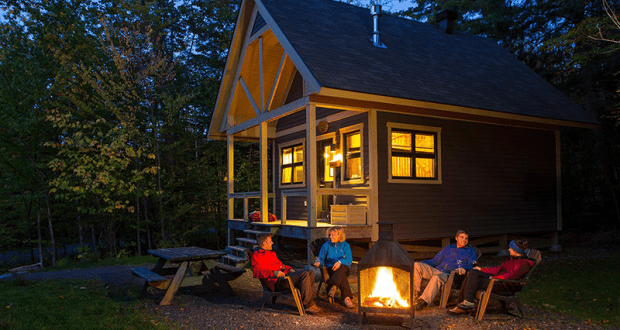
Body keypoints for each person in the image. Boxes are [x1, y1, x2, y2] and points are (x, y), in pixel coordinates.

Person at [447, 239, 535, 315]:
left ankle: (464, 305)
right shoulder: (512, 259)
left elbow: (511, 276)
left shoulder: (523, 263)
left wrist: (493, 278)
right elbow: (498, 269)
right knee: (474, 272)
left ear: (516, 251)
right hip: (498, 280)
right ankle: (467, 302)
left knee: (472, 281)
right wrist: (481, 269)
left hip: (505, 285)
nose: (508, 249)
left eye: (511, 248)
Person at [251, 233, 322, 314]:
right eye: (270, 241)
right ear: (264, 244)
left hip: (283, 277)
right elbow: (257, 271)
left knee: (310, 272)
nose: (272, 243)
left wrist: (289, 269)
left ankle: (310, 302)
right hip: (276, 282)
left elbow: (281, 266)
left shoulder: (271, 253)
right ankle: (307, 305)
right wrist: (273, 273)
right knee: (304, 274)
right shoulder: (257, 256)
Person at [414, 229, 478, 311]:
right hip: (437, 270)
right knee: (416, 265)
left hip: (450, 275)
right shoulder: (448, 248)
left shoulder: (470, 251)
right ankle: (415, 294)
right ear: (456, 238)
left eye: (466, 238)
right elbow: (434, 261)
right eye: (462, 237)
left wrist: (464, 268)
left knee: (436, 277)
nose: (464, 240)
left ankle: (423, 301)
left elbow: (473, 265)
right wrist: (420, 263)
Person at [313, 226, 355, 308]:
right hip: (332, 269)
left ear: (340, 235)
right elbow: (321, 257)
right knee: (342, 277)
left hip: (344, 268)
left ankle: (333, 285)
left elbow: (349, 259)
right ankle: (346, 298)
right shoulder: (326, 245)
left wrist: (339, 262)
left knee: (342, 267)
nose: (330, 237)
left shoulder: (345, 245)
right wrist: (318, 262)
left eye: (333, 235)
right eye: (329, 235)